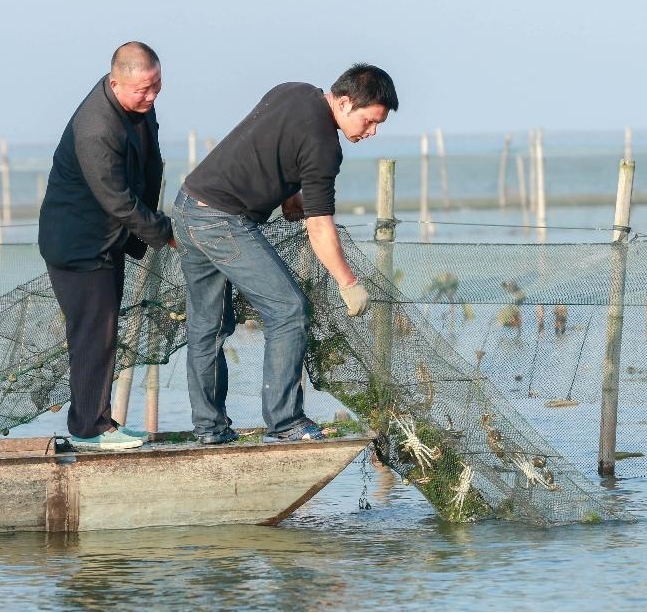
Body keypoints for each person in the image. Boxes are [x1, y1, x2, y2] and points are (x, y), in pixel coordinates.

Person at [172, 63, 398, 445]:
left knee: (207, 327)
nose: (371, 132)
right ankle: (286, 423)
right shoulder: (325, 147)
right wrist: (348, 282)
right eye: (369, 120)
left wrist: (291, 196)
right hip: (221, 220)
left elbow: (271, 143)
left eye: (378, 125)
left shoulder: (295, 91)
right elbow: (319, 227)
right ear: (344, 103)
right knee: (289, 310)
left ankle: (210, 431)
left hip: (188, 207)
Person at [38, 41, 174, 451]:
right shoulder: (96, 126)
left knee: (102, 331)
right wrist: (162, 232)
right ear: (116, 82)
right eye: (142, 90)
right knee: (94, 335)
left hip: (108, 239)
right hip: (78, 244)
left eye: (157, 86)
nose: (151, 97)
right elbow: (115, 198)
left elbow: (152, 164)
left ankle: (96, 421)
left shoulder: (138, 108)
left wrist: (146, 230)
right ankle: (89, 429)